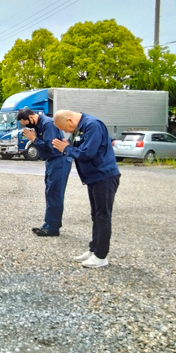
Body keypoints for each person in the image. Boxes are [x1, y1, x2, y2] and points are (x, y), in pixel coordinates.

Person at [52, 110, 120, 268]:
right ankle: (94, 249)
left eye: (65, 128)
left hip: (104, 176)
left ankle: (101, 256)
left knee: (103, 216)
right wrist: (67, 147)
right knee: (95, 215)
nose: (66, 132)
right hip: (94, 178)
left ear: (70, 120)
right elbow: (77, 148)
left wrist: (66, 149)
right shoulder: (80, 128)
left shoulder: (92, 125)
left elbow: (87, 153)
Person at [17, 108, 73, 237]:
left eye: (26, 123)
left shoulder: (48, 124)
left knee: (55, 193)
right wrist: (35, 138)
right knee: (50, 192)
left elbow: (51, 146)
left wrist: (34, 139)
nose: (26, 126)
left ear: (31, 117)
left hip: (59, 160)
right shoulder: (39, 125)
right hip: (51, 161)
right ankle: (48, 224)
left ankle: (53, 228)